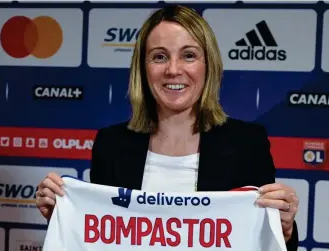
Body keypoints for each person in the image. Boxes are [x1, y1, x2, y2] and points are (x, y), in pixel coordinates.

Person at [36, 4, 299, 250]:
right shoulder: (111, 144)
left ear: (209, 65)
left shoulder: (247, 143)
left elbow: (261, 241)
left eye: (188, 55)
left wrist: (284, 227)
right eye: (159, 56)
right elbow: (101, 239)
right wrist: (61, 215)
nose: (173, 69)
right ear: (143, 68)